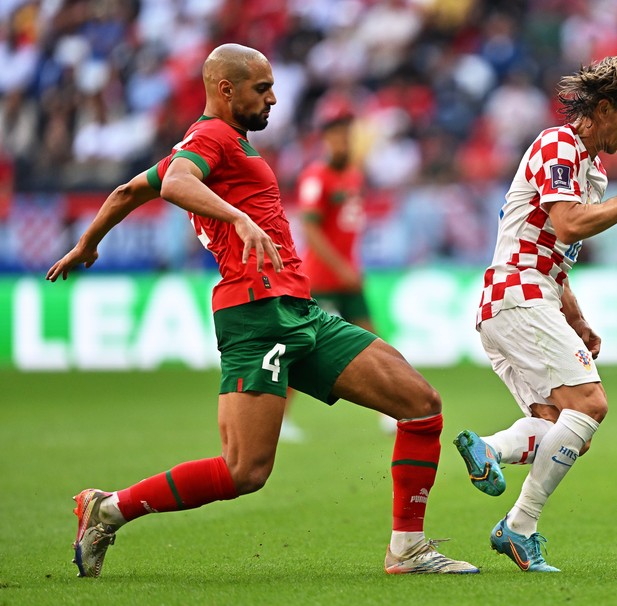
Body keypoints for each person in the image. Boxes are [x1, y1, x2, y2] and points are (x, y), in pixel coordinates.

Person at [46, 43, 479, 577]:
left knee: (420, 404)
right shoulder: (210, 139)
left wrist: (89, 243)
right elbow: (178, 183)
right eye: (261, 88)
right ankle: (107, 509)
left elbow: (128, 191)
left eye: (273, 87)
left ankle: (407, 549)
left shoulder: (219, 144)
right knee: (244, 471)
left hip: (300, 310)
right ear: (225, 89)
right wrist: (240, 219)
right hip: (255, 315)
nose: (274, 98)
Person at [452, 55, 617, 572]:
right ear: (606, 108)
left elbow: (556, 254)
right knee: (590, 405)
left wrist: (578, 319)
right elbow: (567, 225)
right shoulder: (558, 145)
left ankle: (490, 449)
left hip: (525, 296)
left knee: (560, 426)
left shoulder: (591, 169)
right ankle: (520, 526)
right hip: (517, 294)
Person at [279, 95, 393, 441]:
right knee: (302, 350)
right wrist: (341, 267)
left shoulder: (354, 175)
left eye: (346, 131)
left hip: (349, 278)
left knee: (374, 343)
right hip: (323, 280)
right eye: (335, 132)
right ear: (325, 138)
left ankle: (388, 411)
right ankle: (278, 416)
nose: (341, 138)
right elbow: (311, 229)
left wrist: (349, 268)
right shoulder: (317, 176)